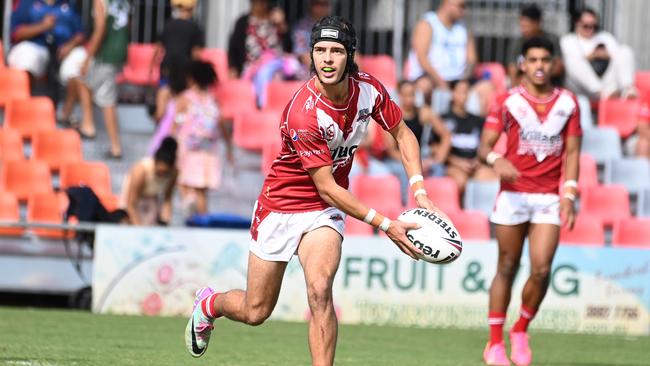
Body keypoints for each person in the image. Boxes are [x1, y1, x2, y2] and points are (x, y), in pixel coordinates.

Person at [184, 16, 444, 365]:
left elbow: (403, 134)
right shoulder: (303, 114)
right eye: (319, 50)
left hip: (323, 213)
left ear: (350, 55)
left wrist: (420, 191)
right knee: (255, 310)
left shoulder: (369, 89)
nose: (326, 59)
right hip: (281, 207)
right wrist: (385, 224)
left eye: (336, 51)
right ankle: (208, 304)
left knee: (320, 290)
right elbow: (326, 186)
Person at [478, 37, 581, 366]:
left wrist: (569, 194)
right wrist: (496, 159)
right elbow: (484, 146)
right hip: (512, 196)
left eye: (545, 60)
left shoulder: (568, 103)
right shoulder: (507, 102)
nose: (539, 66)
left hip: (548, 198)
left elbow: (574, 152)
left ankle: (520, 329)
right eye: (533, 59)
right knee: (506, 267)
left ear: (554, 65)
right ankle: (494, 345)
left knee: (540, 269)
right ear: (523, 64)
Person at [406, 0, 494, 115]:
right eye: (461, 6)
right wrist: (441, 82)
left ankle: (474, 128)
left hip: (458, 79)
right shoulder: (428, 24)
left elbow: (472, 59)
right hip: (432, 78)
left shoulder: (464, 28)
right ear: (447, 3)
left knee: (487, 88)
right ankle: (425, 127)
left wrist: (463, 82)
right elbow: (422, 58)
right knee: (424, 87)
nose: (464, 10)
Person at [371, 80, 451, 203]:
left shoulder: (424, 113)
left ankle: (436, 203)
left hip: (421, 157)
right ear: (399, 95)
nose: (410, 99)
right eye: (406, 95)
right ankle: (405, 204)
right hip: (398, 159)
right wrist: (416, 163)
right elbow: (392, 152)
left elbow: (446, 135)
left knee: (438, 169)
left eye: (412, 95)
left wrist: (438, 158)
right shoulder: (390, 115)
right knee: (405, 173)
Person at [172, 60, 231, 217]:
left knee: (182, 180)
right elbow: (222, 126)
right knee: (201, 192)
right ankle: (203, 222)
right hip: (208, 149)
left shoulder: (185, 98)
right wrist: (229, 148)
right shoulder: (213, 100)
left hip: (188, 147)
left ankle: (188, 202)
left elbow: (175, 124)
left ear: (191, 78)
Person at [74, 0, 130, 159]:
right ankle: (89, 125)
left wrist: (87, 58)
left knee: (106, 99)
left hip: (107, 55)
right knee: (85, 82)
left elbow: (100, 30)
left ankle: (113, 145)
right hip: (119, 53)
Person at [8, 0, 86, 109]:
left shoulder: (68, 4)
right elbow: (16, 33)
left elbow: (81, 33)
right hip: (37, 47)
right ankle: (22, 110)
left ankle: (66, 114)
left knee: (81, 58)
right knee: (27, 56)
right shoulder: (26, 3)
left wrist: (70, 45)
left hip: (62, 52)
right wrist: (43, 26)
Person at [227, 0, 295, 106]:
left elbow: (289, 48)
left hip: (276, 65)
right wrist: (233, 68)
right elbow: (233, 47)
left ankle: (263, 107)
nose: (260, 4)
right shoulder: (243, 22)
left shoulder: (275, 21)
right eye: (256, 2)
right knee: (259, 76)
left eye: (263, 2)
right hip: (251, 68)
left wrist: (282, 26)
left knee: (267, 73)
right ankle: (261, 107)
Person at [560, 8, 637, 100]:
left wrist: (607, 55)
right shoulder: (568, 40)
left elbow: (620, 58)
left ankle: (627, 89)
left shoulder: (606, 37)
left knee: (625, 50)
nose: (591, 29)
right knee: (572, 62)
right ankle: (601, 92)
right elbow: (573, 67)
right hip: (583, 88)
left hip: (608, 83)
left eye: (594, 26)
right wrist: (592, 56)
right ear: (577, 23)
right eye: (586, 26)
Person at [150, 0, 204, 122]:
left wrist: (151, 66)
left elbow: (158, 48)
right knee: (181, 97)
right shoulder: (195, 27)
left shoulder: (168, 24)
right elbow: (196, 53)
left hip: (167, 66)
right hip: (184, 68)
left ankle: (160, 119)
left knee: (164, 91)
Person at [443, 79, 496, 195]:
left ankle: (482, 213)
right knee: (460, 181)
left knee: (494, 179)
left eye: (466, 92)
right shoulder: (443, 119)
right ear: (453, 93)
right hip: (453, 166)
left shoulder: (477, 120)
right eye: (460, 92)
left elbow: (484, 145)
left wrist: (477, 161)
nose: (463, 95)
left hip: (474, 165)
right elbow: (435, 149)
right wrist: (458, 163)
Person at [120, 137, 178, 226]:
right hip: (133, 202)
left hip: (152, 201)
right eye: (159, 172)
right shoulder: (141, 170)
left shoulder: (174, 172)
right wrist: (138, 228)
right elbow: (130, 203)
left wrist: (166, 219)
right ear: (155, 162)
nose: (161, 176)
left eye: (164, 173)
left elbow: (167, 198)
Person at [506, 4, 564, 87]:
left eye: (527, 26)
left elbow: (558, 68)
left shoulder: (552, 39)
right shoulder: (517, 42)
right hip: (523, 84)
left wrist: (536, 76)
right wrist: (515, 89)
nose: (524, 30)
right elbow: (512, 68)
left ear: (537, 23)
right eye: (522, 26)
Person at [292, 0, 332, 80]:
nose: (322, 8)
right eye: (318, 4)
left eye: (325, 4)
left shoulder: (337, 25)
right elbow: (304, 56)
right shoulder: (302, 27)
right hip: (310, 71)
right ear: (311, 5)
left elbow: (352, 52)